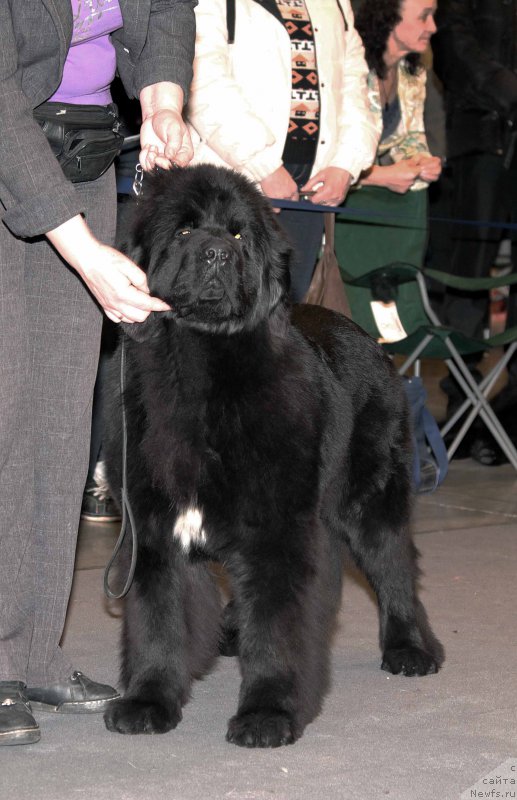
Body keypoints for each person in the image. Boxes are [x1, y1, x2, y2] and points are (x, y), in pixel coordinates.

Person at [0, 0, 196, 747]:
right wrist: (85, 254)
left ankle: (30, 652)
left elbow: (163, 11)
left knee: (56, 419)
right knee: (5, 408)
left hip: (79, 157)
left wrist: (162, 101)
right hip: (15, 147)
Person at [185, 0, 379, 302]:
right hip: (227, 190)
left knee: (285, 322)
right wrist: (263, 166)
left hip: (308, 198)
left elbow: (355, 87)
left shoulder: (338, 4)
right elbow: (202, 80)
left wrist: (346, 164)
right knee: (215, 314)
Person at [431, 0, 517, 438]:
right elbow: (451, 47)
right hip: (480, 140)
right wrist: (509, 91)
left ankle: (512, 406)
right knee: (468, 274)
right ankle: (461, 402)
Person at [334, 0, 442, 294]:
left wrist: (423, 162)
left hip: (381, 211)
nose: (433, 27)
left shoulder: (412, 75)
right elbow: (325, 155)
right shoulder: (349, 67)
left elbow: (410, 139)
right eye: (424, 17)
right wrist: (381, 176)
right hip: (343, 211)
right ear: (389, 17)